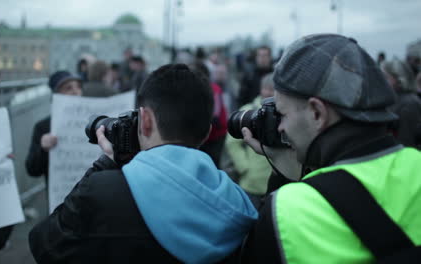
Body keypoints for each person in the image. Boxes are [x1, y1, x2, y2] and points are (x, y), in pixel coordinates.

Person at [28, 64, 258, 263]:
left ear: (145, 120)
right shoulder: (241, 203)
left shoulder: (103, 191)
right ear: (207, 132)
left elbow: (44, 245)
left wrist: (105, 163)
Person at [240, 34, 421, 263]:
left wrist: (282, 180)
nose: (281, 128)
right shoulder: (416, 165)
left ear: (317, 112)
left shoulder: (288, 210)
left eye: (282, 114)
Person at [225, 73, 274, 207]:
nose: (269, 92)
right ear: (260, 89)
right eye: (266, 88)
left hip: (276, 180)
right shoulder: (247, 112)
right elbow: (232, 142)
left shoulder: (282, 113)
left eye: (273, 89)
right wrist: (244, 167)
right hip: (251, 181)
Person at [25, 71, 82, 181]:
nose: (76, 91)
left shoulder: (91, 122)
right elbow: (32, 170)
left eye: (78, 87)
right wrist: (43, 150)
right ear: (56, 95)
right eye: (68, 88)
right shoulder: (43, 127)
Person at [381, 58, 421, 148]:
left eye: (385, 77)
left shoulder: (409, 104)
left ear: (400, 80)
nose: (380, 81)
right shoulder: (392, 100)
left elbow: (406, 142)